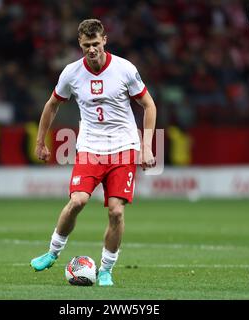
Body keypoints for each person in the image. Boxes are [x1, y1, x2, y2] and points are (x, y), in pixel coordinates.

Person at [30, 19, 157, 286]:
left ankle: (107, 269)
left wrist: (146, 146)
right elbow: (52, 105)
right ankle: (53, 252)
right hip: (90, 148)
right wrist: (41, 142)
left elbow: (148, 105)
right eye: (86, 45)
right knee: (77, 201)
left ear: (105, 40)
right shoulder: (71, 73)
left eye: (96, 44)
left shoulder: (124, 69)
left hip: (123, 147)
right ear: (80, 43)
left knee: (116, 212)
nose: (91, 49)